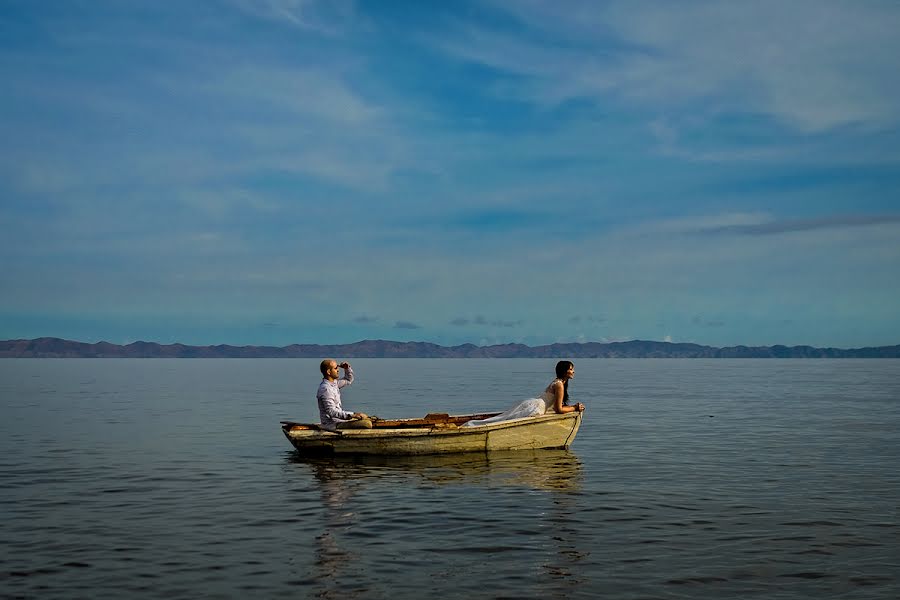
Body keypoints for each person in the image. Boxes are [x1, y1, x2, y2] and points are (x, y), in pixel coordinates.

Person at [461, 360, 585, 427]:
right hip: (537, 407)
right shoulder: (559, 385)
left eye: (572, 369)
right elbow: (558, 409)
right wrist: (574, 407)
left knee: (504, 418)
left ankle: (473, 425)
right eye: (570, 369)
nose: (573, 371)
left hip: (534, 403)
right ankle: (472, 426)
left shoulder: (558, 382)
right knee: (503, 421)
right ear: (564, 371)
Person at [316, 359, 372, 430]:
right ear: (329, 372)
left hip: (340, 421)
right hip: (332, 424)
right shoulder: (326, 389)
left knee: (367, 419)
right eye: (336, 368)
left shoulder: (334, 384)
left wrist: (347, 368)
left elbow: (348, 380)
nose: (338, 370)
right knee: (367, 424)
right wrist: (353, 415)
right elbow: (331, 411)